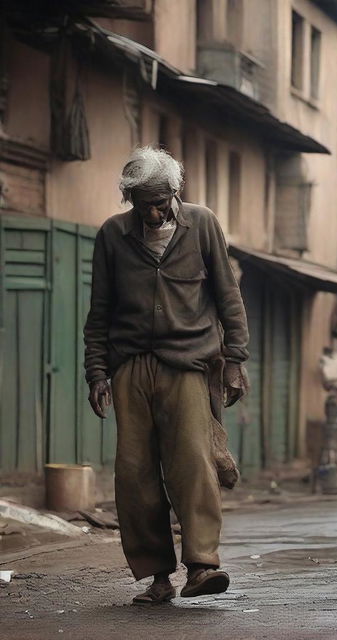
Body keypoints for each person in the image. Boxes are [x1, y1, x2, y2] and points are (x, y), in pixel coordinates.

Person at [83, 147, 249, 604]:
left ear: (176, 192)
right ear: (129, 199)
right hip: (130, 365)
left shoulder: (203, 224)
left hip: (189, 363)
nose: (152, 212)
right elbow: (99, 312)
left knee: (192, 463)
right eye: (141, 203)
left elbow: (228, 295)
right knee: (135, 474)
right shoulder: (113, 235)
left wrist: (235, 359)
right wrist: (96, 371)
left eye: (159, 201)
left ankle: (202, 566)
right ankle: (157, 576)